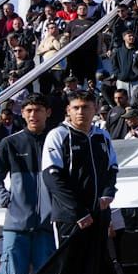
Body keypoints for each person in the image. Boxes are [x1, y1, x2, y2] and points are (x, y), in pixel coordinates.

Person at [0, 93, 55, 274]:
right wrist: (7, 200)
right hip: (16, 227)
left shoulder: (56, 141)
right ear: (23, 114)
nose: (33, 115)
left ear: (48, 112)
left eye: (38, 110)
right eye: (29, 111)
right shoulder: (10, 143)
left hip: (47, 227)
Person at [39, 90, 118, 244]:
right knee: (69, 266)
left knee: (98, 265)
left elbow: (112, 168)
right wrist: (78, 212)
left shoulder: (103, 136)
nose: (81, 112)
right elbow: (52, 178)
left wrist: (108, 193)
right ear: (68, 110)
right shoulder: (58, 135)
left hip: (99, 214)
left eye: (85, 107)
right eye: (76, 108)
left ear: (94, 109)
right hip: (71, 218)